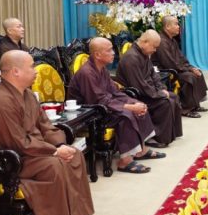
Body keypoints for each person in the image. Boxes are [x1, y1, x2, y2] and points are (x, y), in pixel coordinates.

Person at [0, 51, 95, 215]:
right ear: (15, 71)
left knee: (74, 155)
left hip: (30, 151)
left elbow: (45, 126)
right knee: (54, 165)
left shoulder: (29, 95)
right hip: (6, 160)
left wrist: (60, 145)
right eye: (31, 66)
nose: (36, 71)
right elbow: (16, 141)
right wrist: (54, 152)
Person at [67, 37, 164, 174]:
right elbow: (99, 100)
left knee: (139, 106)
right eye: (109, 50)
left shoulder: (101, 69)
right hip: (90, 113)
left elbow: (115, 92)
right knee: (126, 115)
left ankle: (141, 150)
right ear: (97, 54)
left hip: (104, 106)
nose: (113, 53)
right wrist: (129, 107)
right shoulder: (87, 73)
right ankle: (125, 162)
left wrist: (133, 102)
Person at [116, 29, 183, 145]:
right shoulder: (131, 58)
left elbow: (153, 74)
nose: (155, 50)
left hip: (148, 90)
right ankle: (155, 136)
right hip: (136, 95)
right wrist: (159, 94)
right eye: (154, 47)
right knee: (165, 102)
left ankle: (172, 133)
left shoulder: (143, 53)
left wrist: (161, 88)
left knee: (174, 97)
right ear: (145, 42)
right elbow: (138, 85)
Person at [152, 16, 208, 119]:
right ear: (167, 26)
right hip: (166, 71)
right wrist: (188, 69)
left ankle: (195, 104)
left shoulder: (172, 40)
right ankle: (186, 109)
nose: (179, 26)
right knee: (189, 77)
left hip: (177, 68)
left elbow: (181, 58)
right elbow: (169, 63)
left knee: (197, 72)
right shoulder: (162, 41)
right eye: (176, 24)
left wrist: (191, 67)